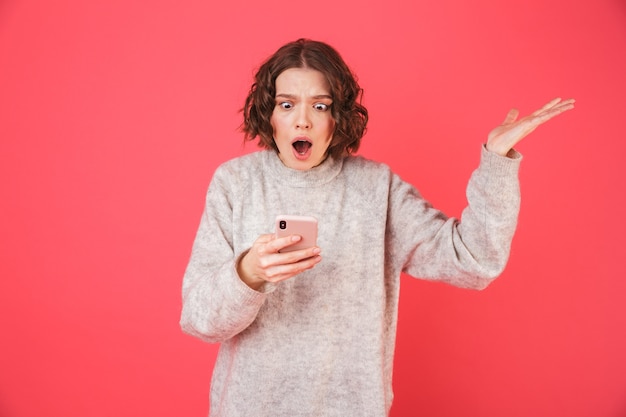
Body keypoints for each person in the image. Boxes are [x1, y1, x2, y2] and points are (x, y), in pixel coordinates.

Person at [179, 38, 574, 417]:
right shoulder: (235, 183)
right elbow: (199, 320)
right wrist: (249, 273)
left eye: (320, 106)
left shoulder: (375, 189)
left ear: (338, 118)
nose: (302, 120)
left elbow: (474, 260)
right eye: (287, 104)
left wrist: (497, 163)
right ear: (269, 114)